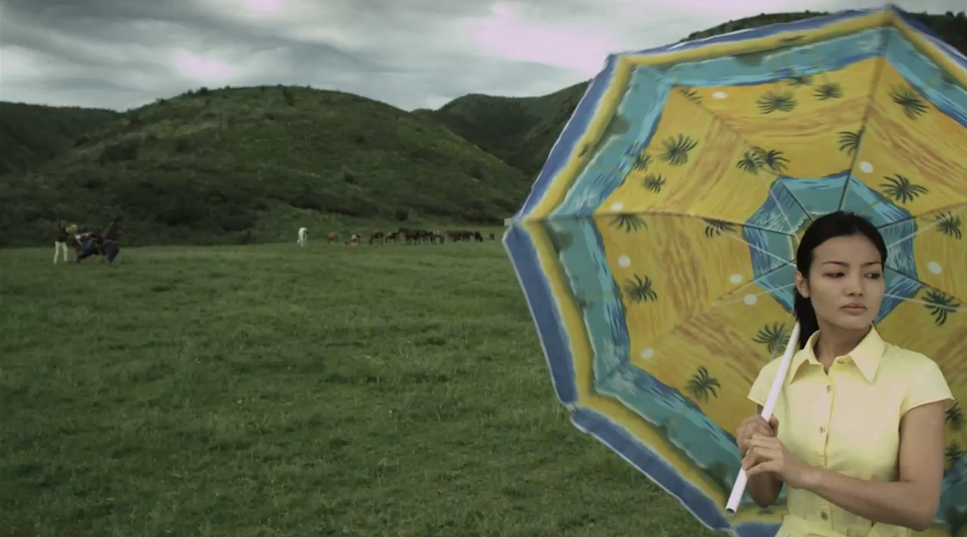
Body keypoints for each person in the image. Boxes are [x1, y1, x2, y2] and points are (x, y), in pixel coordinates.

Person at [736, 211, 952, 537]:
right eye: (836, 274)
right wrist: (753, 451)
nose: (856, 288)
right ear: (803, 284)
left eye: (872, 274)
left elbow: (919, 508)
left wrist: (806, 474)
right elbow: (765, 496)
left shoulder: (917, 376)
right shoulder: (775, 378)